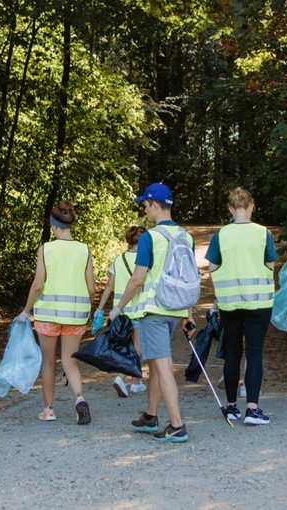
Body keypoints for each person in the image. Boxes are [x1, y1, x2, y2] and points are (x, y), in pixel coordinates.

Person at [109, 182, 195, 443]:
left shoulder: (150, 237)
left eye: (145, 205)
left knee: (162, 366)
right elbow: (187, 275)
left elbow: (137, 279)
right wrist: (187, 315)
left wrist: (118, 307)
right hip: (174, 308)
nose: (145, 210)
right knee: (158, 364)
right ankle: (151, 415)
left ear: (155, 205)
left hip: (155, 311)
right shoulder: (185, 236)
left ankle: (177, 425)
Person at [17, 200, 96, 424]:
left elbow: (38, 284)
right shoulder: (84, 249)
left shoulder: (46, 249)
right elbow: (91, 287)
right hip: (75, 315)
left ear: (54, 226)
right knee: (70, 360)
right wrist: (88, 309)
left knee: (48, 361)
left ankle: (49, 409)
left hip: (48, 316)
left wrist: (26, 310)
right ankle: (79, 398)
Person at [206, 187, 277, 426]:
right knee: (254, 353)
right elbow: (270, 263)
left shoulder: (221, 235)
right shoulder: (263, 233)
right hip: (259, 301)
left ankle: (232, 406)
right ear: (251, 207)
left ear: (230, 208)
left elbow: (212, 267)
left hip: (230, 302)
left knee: (233, 353)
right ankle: (253, 409)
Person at [95, 226, 147, 397]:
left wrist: (100, 309)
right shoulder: (146, 259)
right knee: (138, 348)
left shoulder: (119, 259)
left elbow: (109, 286)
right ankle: (121, 377)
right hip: (138, 310)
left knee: (128, 346)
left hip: (120, 311)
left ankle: (136, 382)